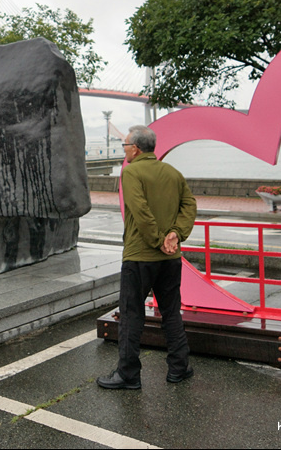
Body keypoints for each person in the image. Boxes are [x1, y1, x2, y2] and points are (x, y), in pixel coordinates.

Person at [97, 125, 197, 390]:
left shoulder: (131, 172)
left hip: (139, 257)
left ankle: (128, 374)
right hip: (170, 259)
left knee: (131, 315)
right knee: (171, 312)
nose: (125, 150)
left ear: (136, 148)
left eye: (126, 146)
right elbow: (190, 205)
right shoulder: (173, 172)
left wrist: (157, 240)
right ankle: (179, 367)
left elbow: (140, 211)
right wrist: (175, 235)